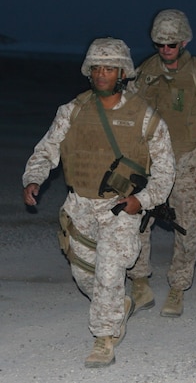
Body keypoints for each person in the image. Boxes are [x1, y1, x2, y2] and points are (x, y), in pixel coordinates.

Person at [22, 38, 175, 368]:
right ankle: (118, 304)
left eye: (109, 69)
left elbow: (165, 172)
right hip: (79, 205)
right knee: (84, 275)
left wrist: (142, 200)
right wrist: (33, 178)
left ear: (122, 73)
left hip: (118, 207)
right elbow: (46, 150)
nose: (102, 74)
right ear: (89, 72)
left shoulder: (146, 118)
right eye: (97, 68)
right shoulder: (72, 111)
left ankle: (104, 338)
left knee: (108, 270)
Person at [126, 9, 196, 318]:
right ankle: (140, 281)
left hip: (188, 161)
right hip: (150, 162)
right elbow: (128, 111)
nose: (165, 50)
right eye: (160, 44)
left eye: (171, 44)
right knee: (138, 221)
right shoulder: (145, 72)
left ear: (183, 42)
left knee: (187, 227)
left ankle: (177, 287)